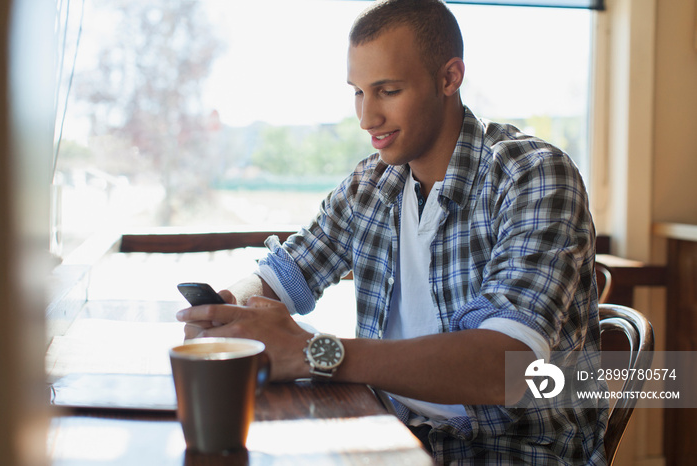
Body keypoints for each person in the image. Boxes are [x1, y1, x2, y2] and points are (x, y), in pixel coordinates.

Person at [176, 0, 608, 463]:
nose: (367, 119)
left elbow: (506, 367)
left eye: (387, 90)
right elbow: (285, 273)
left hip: (509, 451)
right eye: (359, 92)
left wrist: (313, 353)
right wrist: (230, 307)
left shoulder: (534, 176)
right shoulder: (372, 184)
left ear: (449, 78)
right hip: (391, 434)